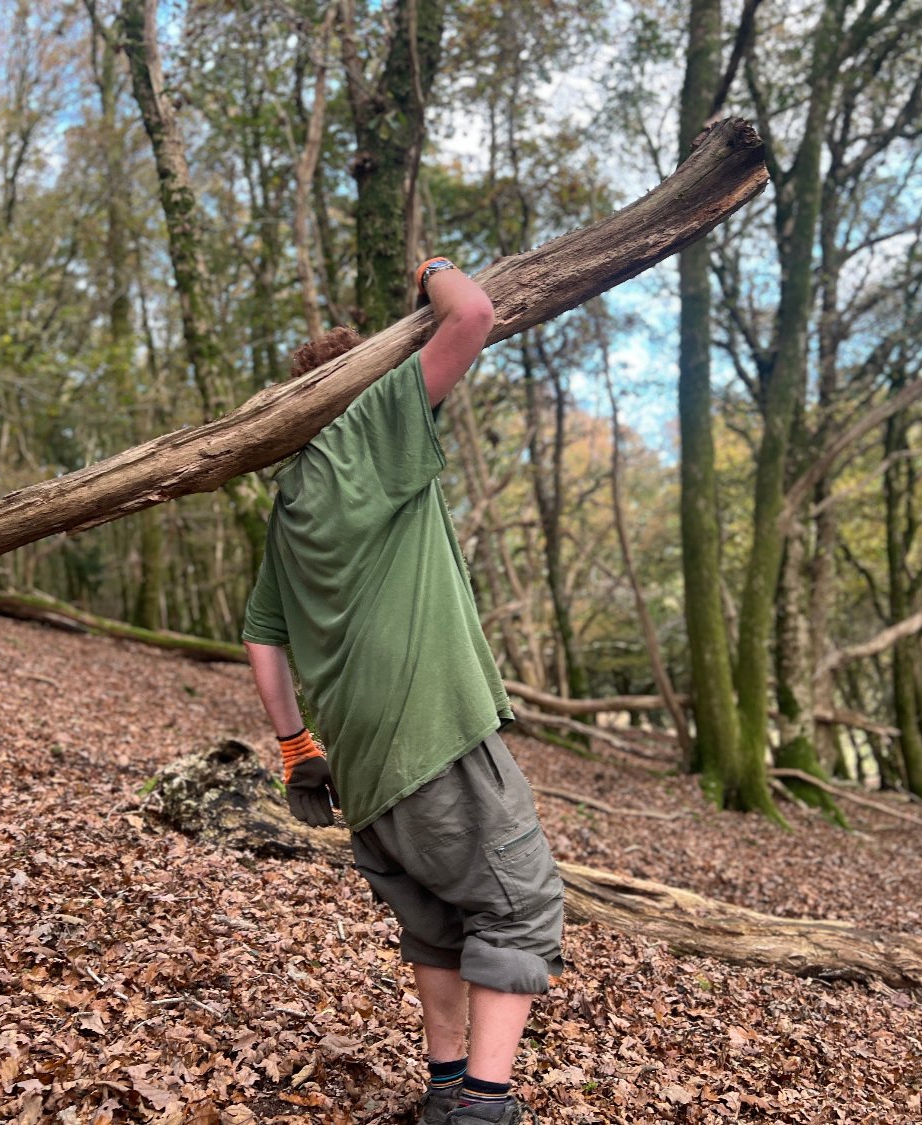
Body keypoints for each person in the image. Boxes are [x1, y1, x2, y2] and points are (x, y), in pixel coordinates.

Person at [241, 256, 564, 1125]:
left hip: (359, 757)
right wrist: (433, 270)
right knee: (520, 903)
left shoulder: (291, 497)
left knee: (433, 919)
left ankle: (447, 1086)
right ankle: (484, 1110)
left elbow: (263, 635)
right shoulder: (371, 429)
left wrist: (294, 745)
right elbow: (474, 317)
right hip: (432, 729)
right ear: (367, 383)